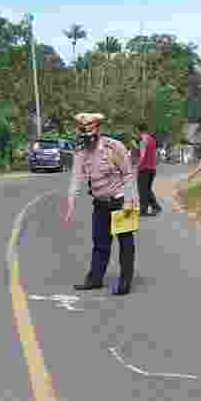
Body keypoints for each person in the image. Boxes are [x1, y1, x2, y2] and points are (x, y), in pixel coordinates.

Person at [65, 112, 140, 296]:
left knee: (125, 243)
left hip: (120, 200)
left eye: (89, 133)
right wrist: (71, 203)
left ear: (98, 129)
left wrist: (129, 202)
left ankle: (125, 281)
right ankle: (95, 279)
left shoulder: (113, 148)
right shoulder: (81, 151)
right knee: (99, 243)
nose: (86, 139)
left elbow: (128, 175)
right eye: (82, 134)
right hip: (100, 203)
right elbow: (76, 177)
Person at [136, 123, 162, 216]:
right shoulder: (152, 139)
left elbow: (142, 155)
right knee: (147, 189)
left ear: (138, 130)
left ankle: (144, 210)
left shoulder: (143, 140)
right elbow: (156, 154)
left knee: (142, 189)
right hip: (152, 168)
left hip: (144, 168)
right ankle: (156, 207)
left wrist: (137, 165)